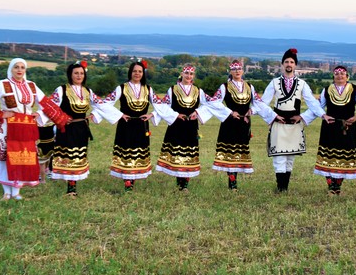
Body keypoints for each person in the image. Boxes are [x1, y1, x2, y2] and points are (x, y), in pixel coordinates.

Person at [0, 58, 70, 200]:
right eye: (16, 67)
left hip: (26, 127)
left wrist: (39, 114)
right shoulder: (2, 85)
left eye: (22, 67)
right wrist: (1, 113)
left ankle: (16, 191)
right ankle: (6, 192)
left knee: (22, 158)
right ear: (11, 69)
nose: (19, 70)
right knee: (4, 157)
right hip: (7, 126)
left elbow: (47, 103)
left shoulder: (31, 86)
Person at [259, 48, 332, 193]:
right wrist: (272, 116)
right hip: (279, 123)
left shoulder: (302, 84)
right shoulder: (274, 82)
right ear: (282, 64)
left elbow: (312, 102)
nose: (289, 64)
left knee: (290, 157)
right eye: (286, 61)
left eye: (291, 62)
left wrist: (316, 115)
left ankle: (285, 188)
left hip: (294, 124)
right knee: (279, 156)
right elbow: (262, 103)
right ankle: (281, 189)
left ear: (295, 65)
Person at [304, 65, 356, 195]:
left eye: (342, 73)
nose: (340, 76)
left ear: (347, 76)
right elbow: (317, 106)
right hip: (330, 126)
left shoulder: (355, 89)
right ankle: (331, 186)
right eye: (337, 74)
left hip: (347, 127)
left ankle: (337, 187)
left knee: (343, 156)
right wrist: (321, 116)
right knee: (328, 156)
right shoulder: (327, 90)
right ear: (333, 76)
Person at [207, 60, 271, 191]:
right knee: (231, 152)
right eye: (234, 69)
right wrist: (229, 112)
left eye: (239, 69)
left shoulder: (249, 86)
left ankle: (234, 182)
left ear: (243, 71)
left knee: (239, 152)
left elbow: (259, 103)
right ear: (230, 71)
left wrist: (252, 110)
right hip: (230, 123)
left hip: (244, 123)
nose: (237, 71)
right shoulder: (225, 87)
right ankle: (232, 184)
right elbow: (214, 102)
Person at [46, 61, 108, 197]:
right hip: (66, 127)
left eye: (81, 73)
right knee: (67, 155)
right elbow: (50, 105)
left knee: (77, 156)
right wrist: (61, 117)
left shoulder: (88, 91)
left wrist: (94, 114)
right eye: (76, 73)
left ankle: (72, 188)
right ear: (70, 74)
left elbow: (102, 105)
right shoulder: (62, 89)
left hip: (81, 128)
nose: (79, 76)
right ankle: (67, 185)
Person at [102, 61, 161, 192]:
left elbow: (161, 105)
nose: (137, 74)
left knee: (137, 153)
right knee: (127, 153)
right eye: (135, 71)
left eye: (140, 71)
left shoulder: (148, 89)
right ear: (130, 72)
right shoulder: (121, 88)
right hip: (126, 125)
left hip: (141, 125)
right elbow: (106, 103)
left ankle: (132, 180)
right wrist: (119, 114)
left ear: (143, 73)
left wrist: (152, 114)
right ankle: (128, 183)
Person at [154, 64, 213, 192]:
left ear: (194, 76)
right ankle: (180, 183)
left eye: (191, 74)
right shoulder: (173, 89)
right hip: (176, 125)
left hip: (191, 126)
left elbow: (211, 103)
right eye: (186, 73)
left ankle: (184, 185)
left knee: (188, 154)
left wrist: (197, 112)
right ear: (182, 73)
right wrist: (175, 115)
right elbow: (163, 106)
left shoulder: (198, 91)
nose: (189, 76)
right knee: (178, 154)